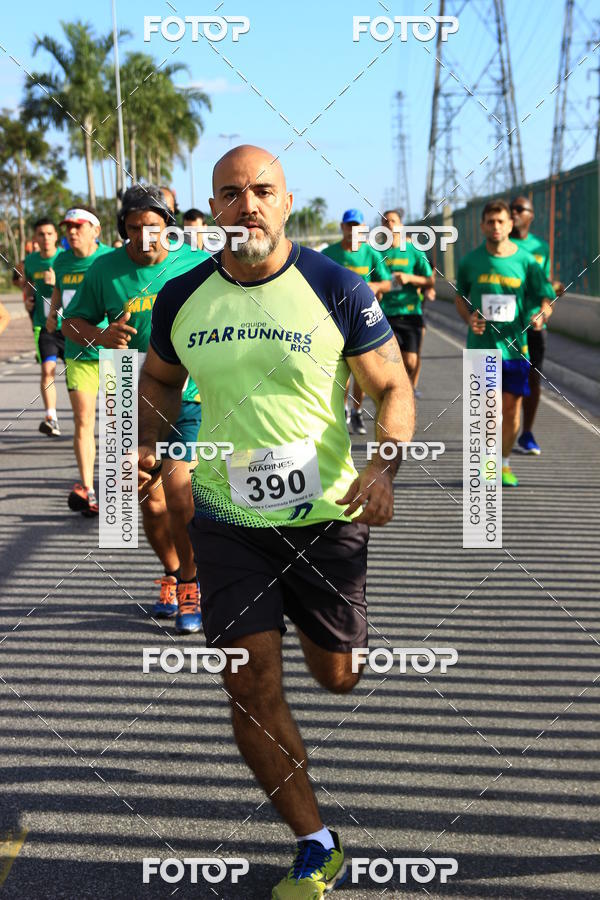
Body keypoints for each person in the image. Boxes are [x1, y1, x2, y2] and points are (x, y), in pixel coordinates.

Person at [140, 144, 414, 898]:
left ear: (287, 202)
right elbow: (158, 377)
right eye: (231, 193)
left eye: (263, 191)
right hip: (228, 518)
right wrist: (150, 442)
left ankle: (325, 635)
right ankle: (315, 842)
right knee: (249, 682)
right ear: (214, 209)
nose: (248, 205)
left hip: (327, 516)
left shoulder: (336, 286)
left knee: (336, 676)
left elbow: (392, 384)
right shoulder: (183, 297)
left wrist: (385, 466)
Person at [62, 184, 206, 634]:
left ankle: (191, 583)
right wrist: (100, 336)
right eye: (134, 228)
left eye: (153, 227)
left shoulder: (197, 263)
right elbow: (70, 322)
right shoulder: (105, 269)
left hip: (186, 391)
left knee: (179, 492)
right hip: (125, 390)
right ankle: (171, 573)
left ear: (169, 227)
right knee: (149, 500)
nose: (144, 237)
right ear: (123, 228)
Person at [455, 199, 554, 487]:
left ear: (510, 225)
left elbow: (546, 298)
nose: (495, 227)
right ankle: (488, 463)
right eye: (490, 222)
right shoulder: (470, 262)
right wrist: (469, 318)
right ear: (482, 226)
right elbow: (460, 296)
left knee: (511, 412)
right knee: (490, 410)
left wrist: (541, 316)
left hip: (515, 349)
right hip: (482, 348)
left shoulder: (526, 261)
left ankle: (504, 463)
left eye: (501, 221)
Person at [46, 207, 112, 515]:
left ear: (95, 230)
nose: (72, 232)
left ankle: (122, 487)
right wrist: (52, 314)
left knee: (119, 424)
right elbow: (59, 289)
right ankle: (88, 489)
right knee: (84, 420)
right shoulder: (61, 261)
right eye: (68, 227)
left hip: (114, 352)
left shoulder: (111, 259)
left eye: (78, 226)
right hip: (78, 353)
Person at [322, 209, 392, 433]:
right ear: (342, 227)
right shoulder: (329, 253)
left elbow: (387, 282)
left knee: (362, 373)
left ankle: (357, 412)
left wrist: (376, 286)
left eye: (357, 226)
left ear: (363, 229)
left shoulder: (371, 253)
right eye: (349, 226)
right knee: (341, 372)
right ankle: (342, 410)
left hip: (364, 321)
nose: (352, 230)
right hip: (335, 320)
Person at [509, 196, 562, 455]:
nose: (514, 213)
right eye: (512, 209)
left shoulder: (541, 247)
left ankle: (526, 433)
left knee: (533, 380)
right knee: (502, 382)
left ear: (531, 215)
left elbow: (545, 287)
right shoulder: (499, 245)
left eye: (520, 209)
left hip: (533, 324)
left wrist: (544, 310)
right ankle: (499, 432)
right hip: (505, 325)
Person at [378, 209, 435, 390]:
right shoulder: (377, 253)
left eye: (393, 221)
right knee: (391, 361)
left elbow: (430, 280)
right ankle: (397, 392)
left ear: (401, 226)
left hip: (410, 312)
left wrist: (409, 278)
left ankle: (408, 390)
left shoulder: (414, 250)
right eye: (385, 221)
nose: (389, 224)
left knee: (411, 361)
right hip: (386, 313)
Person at [23, 219, 64, 435]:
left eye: (49, 233)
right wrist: (28, 301)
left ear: (56, 236)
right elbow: (28, 286)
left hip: (72, 327)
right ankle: (51, 417)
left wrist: (56, 281)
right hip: (44, 326)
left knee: (79, 378)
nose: (45, 238)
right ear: (35, 238)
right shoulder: (30, 261)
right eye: (41, 234)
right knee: (47, 370)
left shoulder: (66, 258)